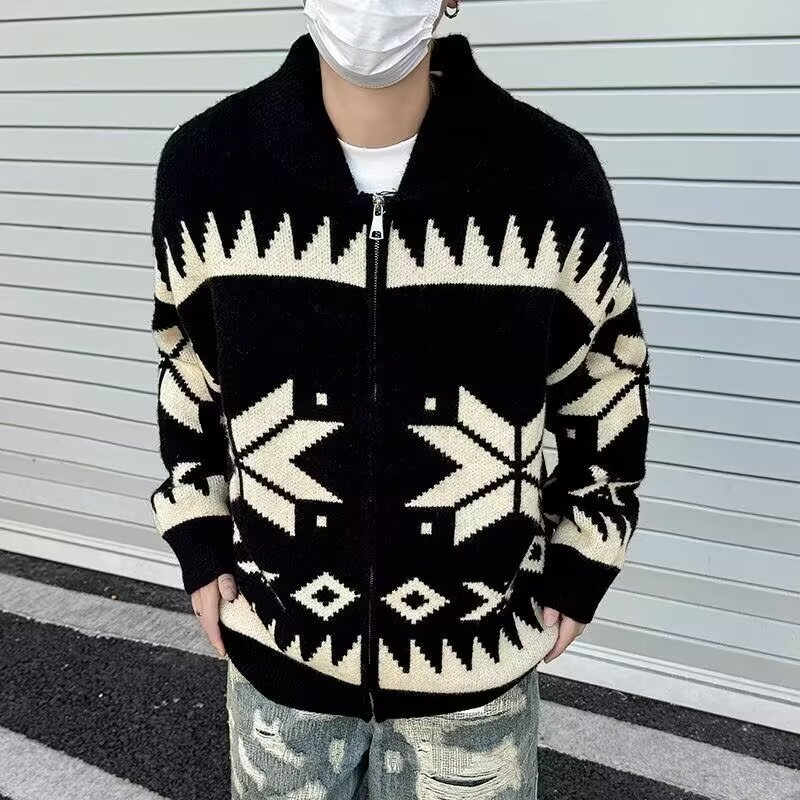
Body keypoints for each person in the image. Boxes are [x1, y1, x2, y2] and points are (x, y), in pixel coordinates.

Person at [148, 0, 651, 796]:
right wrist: (198, 536)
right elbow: (187, 365)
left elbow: (607, 373)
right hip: (279, 657)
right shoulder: (206, 166)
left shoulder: (549, 171)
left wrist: (586, 555)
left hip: (474, 671)